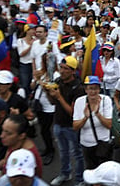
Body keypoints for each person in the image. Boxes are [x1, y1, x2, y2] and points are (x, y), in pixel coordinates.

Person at [46, 56, 85, 186]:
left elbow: (73, 112)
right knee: (63, 152)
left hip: (71, 126)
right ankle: (65, 173)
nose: (62, 71)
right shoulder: (58, 81)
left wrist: (59, 96)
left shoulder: (78, 88)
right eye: (61, 68)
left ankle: (79, 179)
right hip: (58, 122)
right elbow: (53, 102)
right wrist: (48, 92)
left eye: (66, 69)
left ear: (73, 71)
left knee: (77, 154)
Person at [73, 76, 113, 169]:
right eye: (90, 88)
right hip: (87, 144)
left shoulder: (106, 100)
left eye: (95, 88)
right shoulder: (79, 101)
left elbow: (109, 124)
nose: (93, 92)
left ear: (99, 89)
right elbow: (75, 127)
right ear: (86, 89)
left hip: (103, 143)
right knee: (90, 170)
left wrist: (98, 114)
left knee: (104, 170)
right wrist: (85, 117)